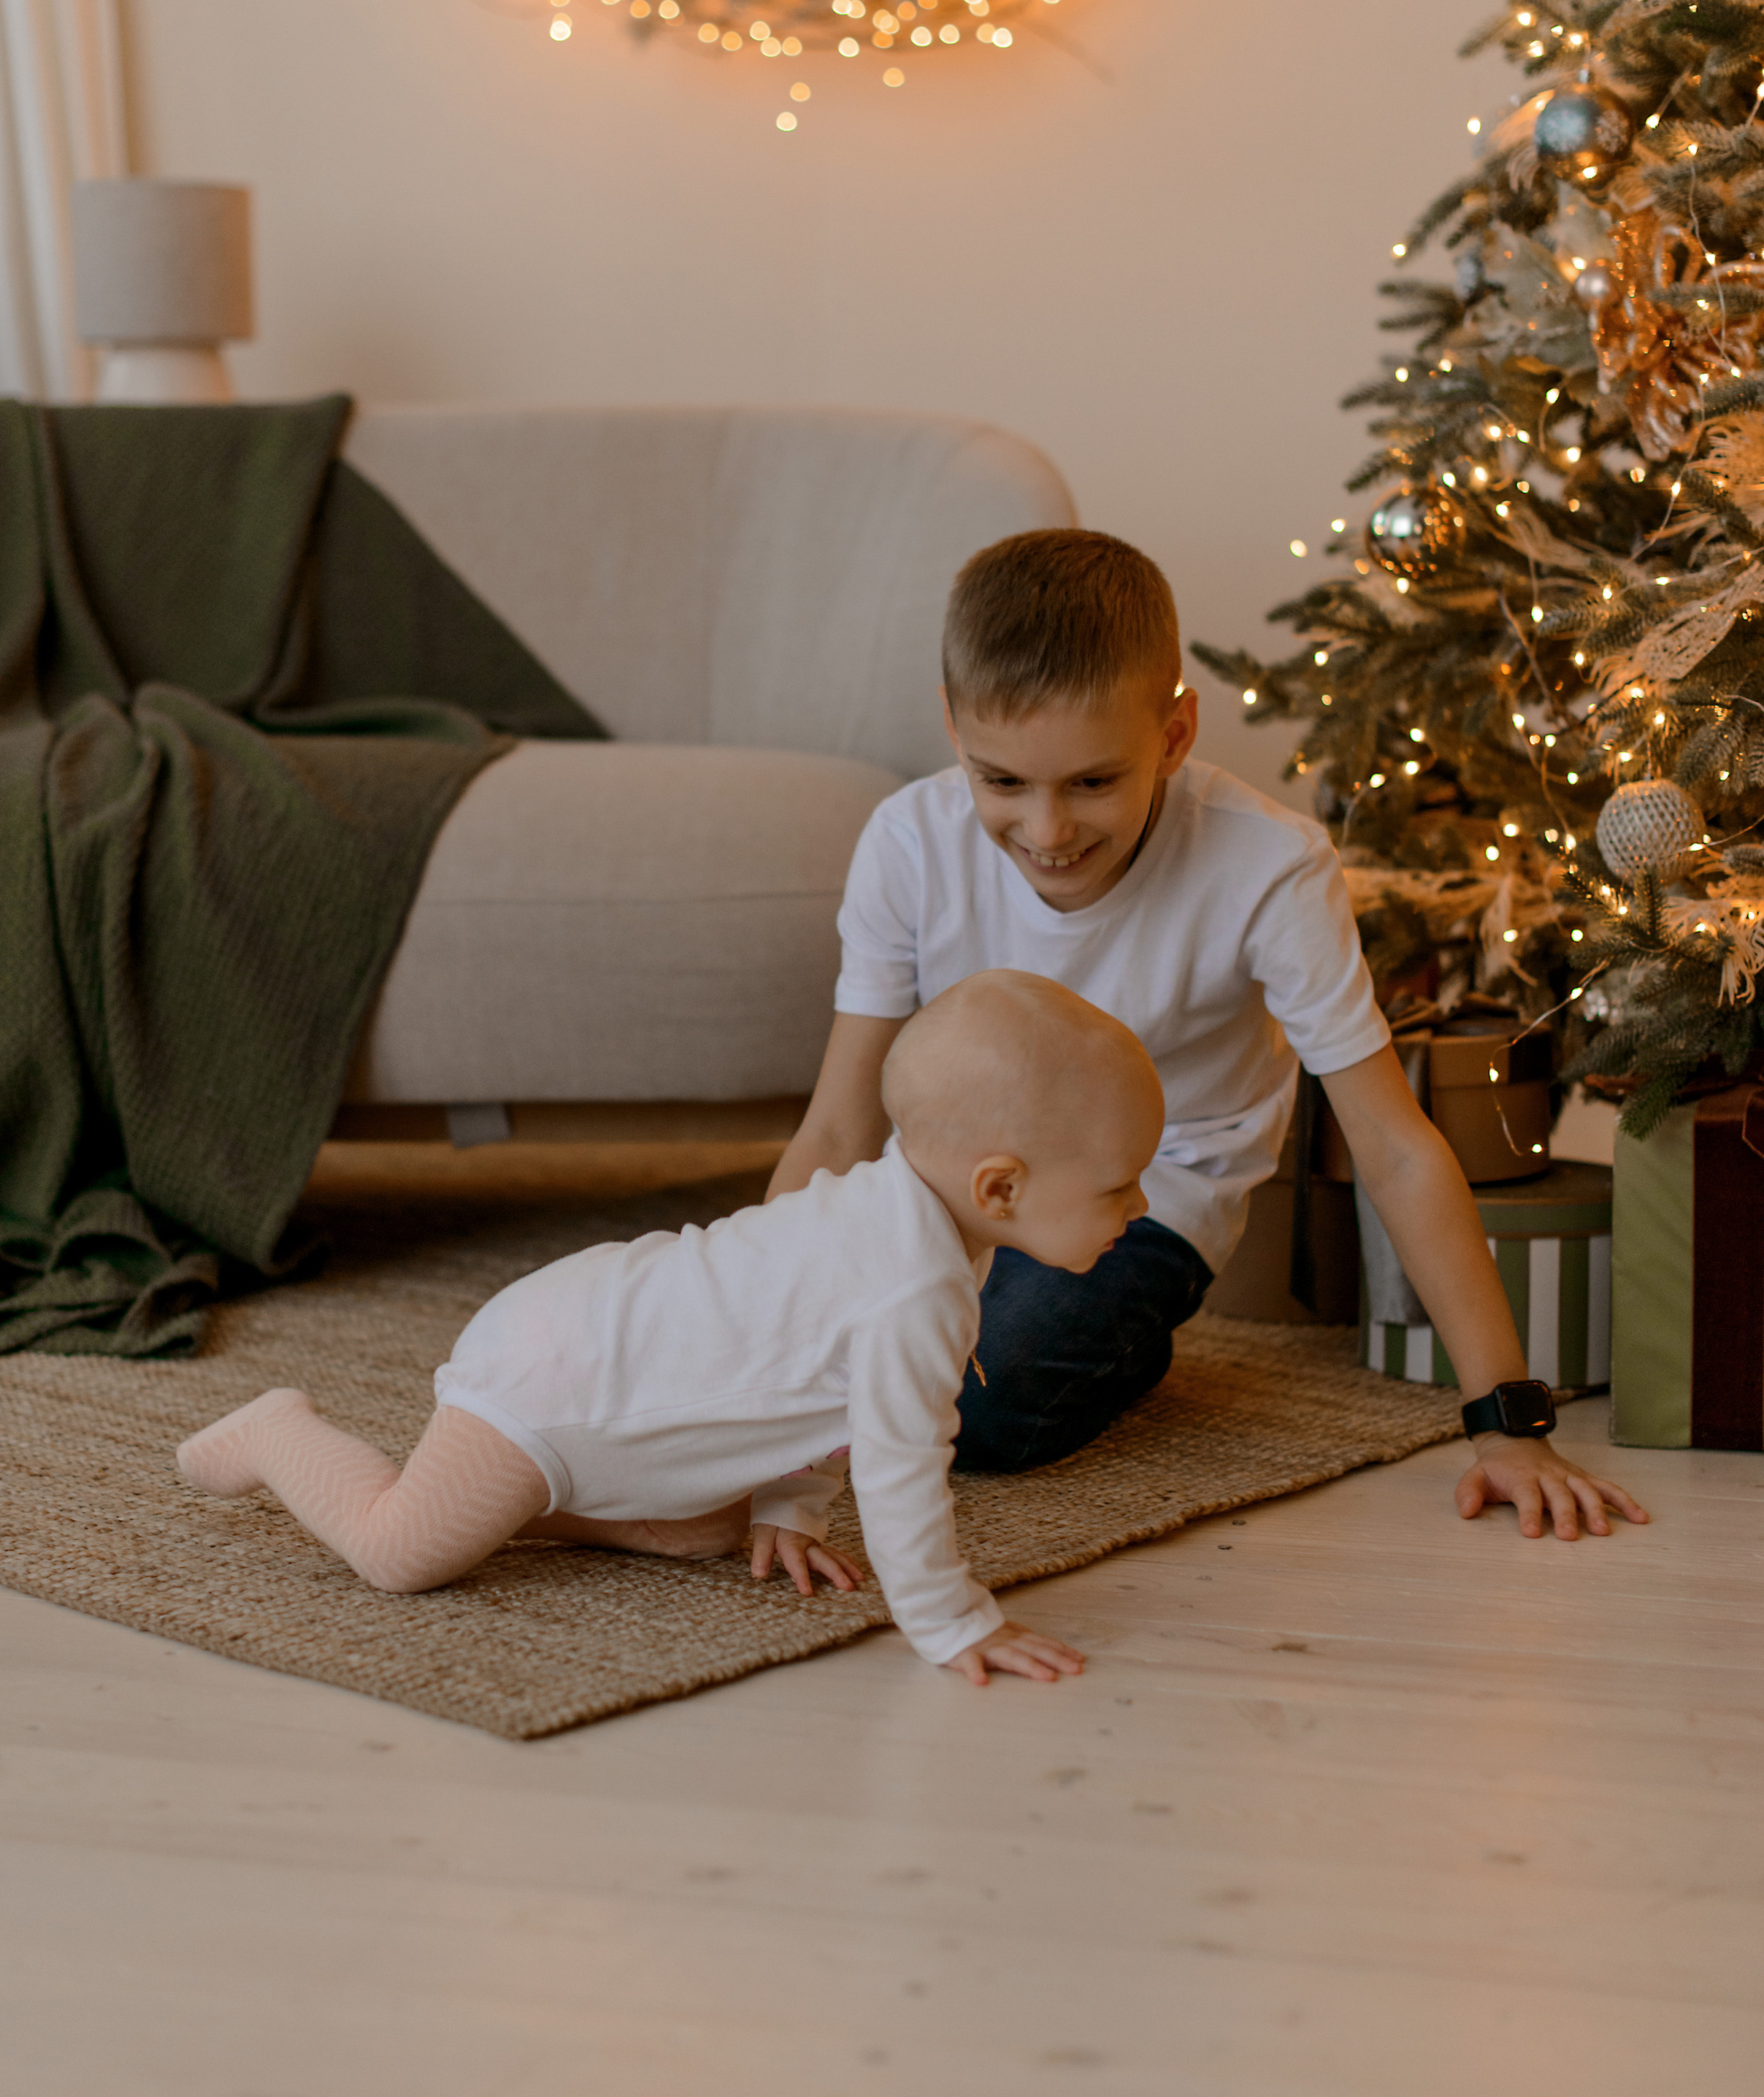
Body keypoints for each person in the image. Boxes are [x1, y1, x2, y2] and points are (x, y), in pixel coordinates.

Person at [767, 529, 1646, 1544]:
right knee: (788, 1361)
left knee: (977, 1406)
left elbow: (1393, 1145)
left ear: (1176, 734)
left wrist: (1508, 1425)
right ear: (953, 730)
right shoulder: (907, 842)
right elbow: (837, 1130)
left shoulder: (1269, 866)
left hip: (1137, 1204)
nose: (1047, 832)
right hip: (939, 1188)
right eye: (1001, 781)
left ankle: (1116, 1336)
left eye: (1093, 782)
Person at [177, 971, 1166, 1682]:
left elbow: (812, 1385)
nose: (1140, 1202)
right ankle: (277, 1430)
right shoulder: (915, 1289)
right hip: (556, 1377)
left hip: (604, 1359)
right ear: (1000, 1185)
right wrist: (953, 1624)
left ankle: (520, 1500)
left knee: (704, 1532)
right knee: (401, 1555)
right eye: (1119, 1183)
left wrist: (790, 1510)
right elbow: (901, 1470)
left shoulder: (915, 1223)